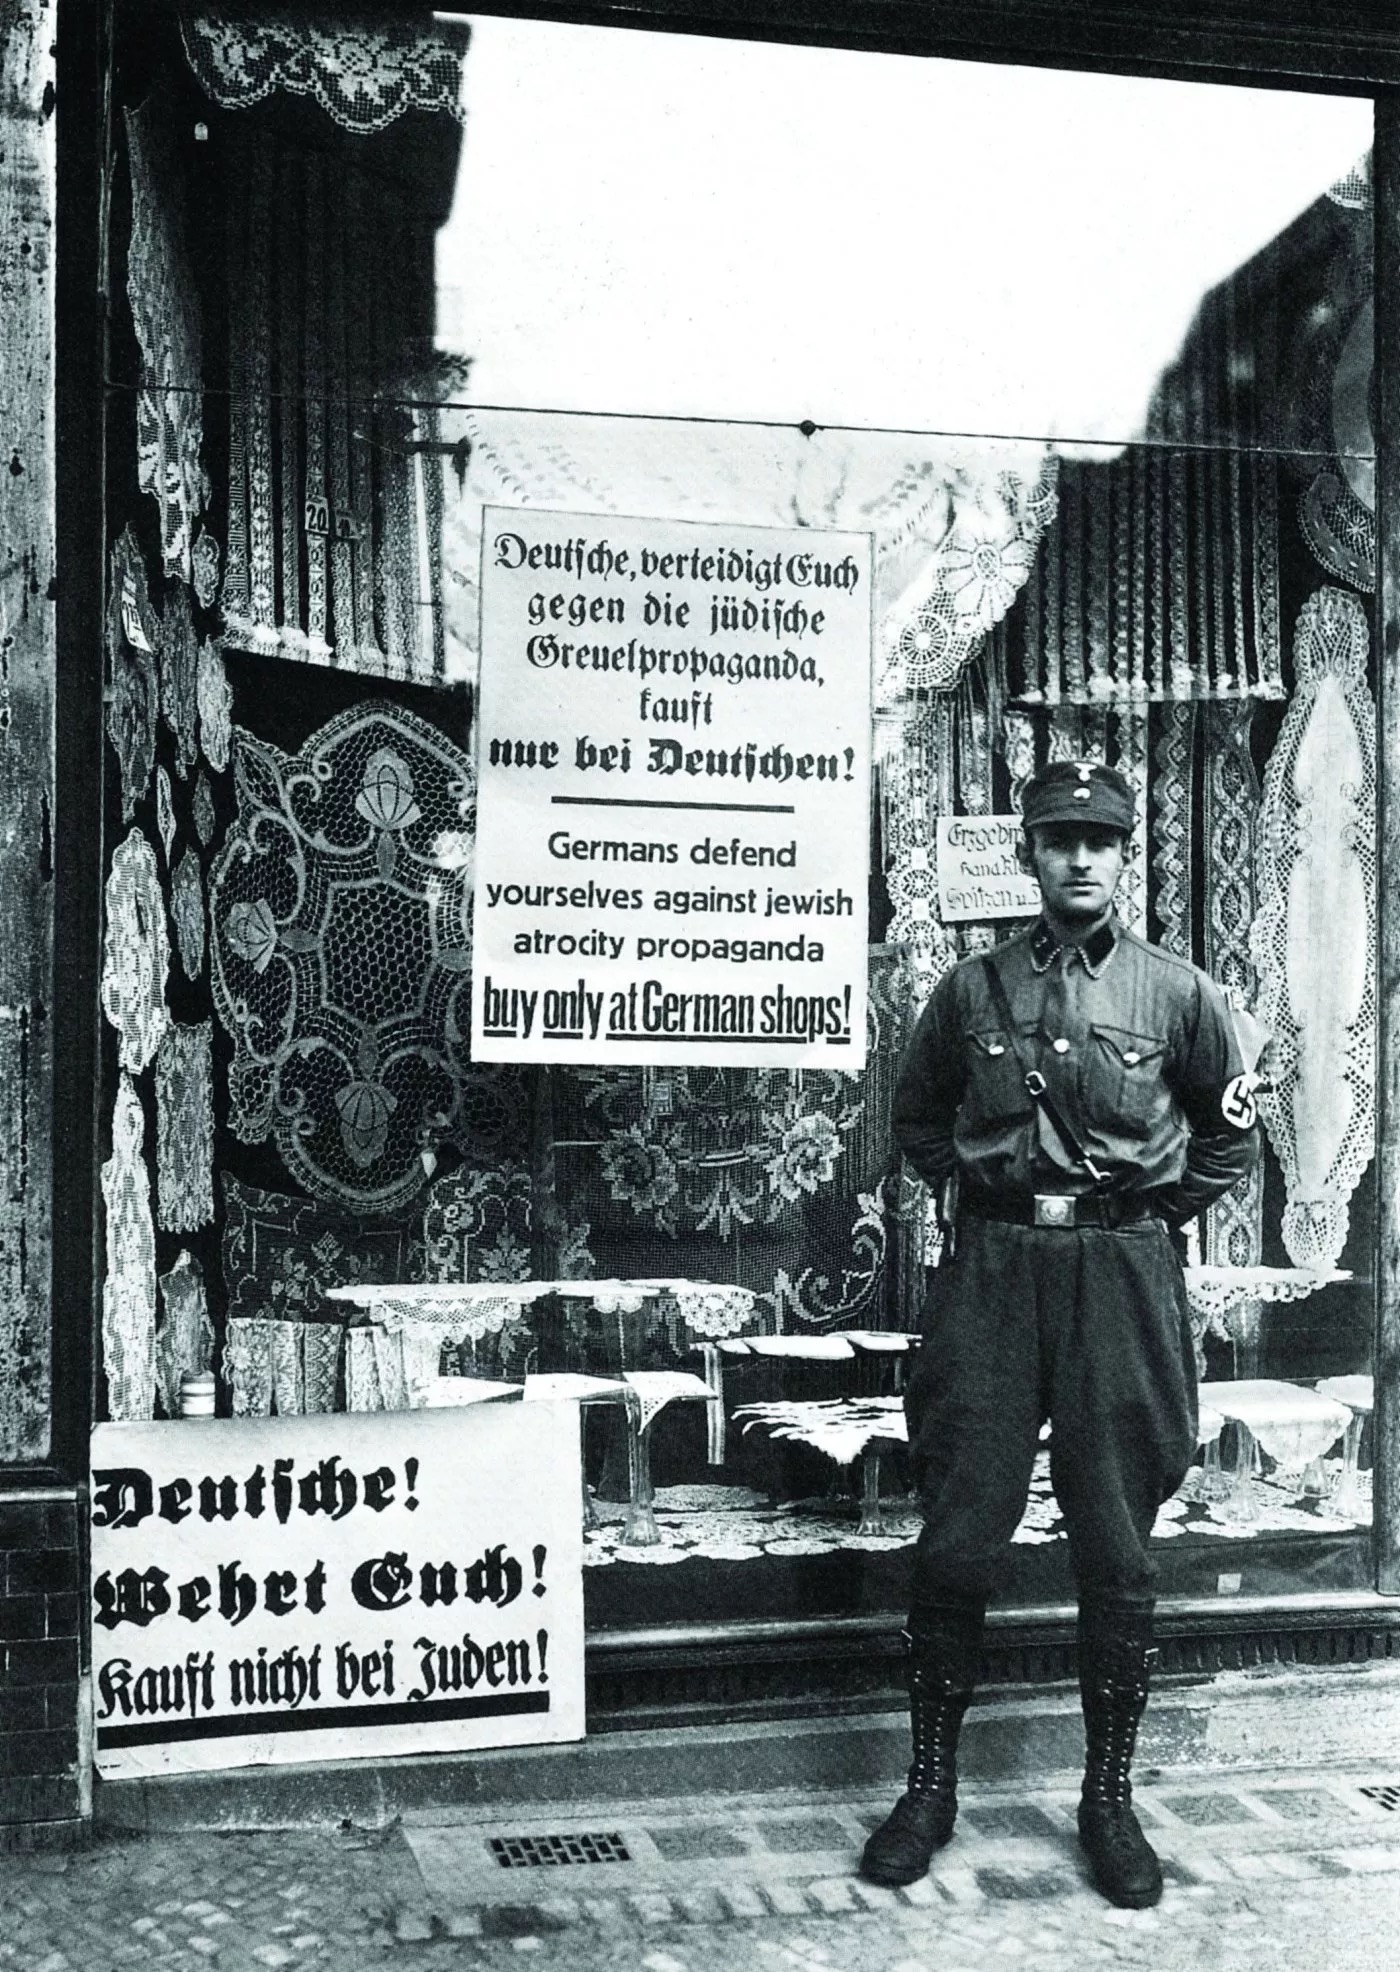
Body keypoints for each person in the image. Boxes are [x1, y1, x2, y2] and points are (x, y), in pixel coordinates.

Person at [862, 758, 1261, 1909]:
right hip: (991, 1273)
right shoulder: (969, 989)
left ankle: (1107, 1800)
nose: (1078, 857)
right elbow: (915, 1116)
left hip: (1118, 1275)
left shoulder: (1176, 993)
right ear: (1027, 854)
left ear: (1124, 855)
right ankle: (927, 1788)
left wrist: (1144, 1219)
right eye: (1057, 839)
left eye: (1098, 840)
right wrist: (981, 1195)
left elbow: (1229, 1137)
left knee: (1116, 1545)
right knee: (957, 1534)